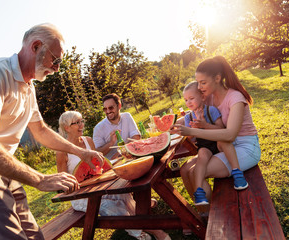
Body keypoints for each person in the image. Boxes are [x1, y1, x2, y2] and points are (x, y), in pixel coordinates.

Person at [0, 23, 104, 240]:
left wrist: (81, 152)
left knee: (34, 236)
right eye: (55, 60)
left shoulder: (28, 87)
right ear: (36, 46)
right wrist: (39, 179)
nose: (56, 68)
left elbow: (41, 130)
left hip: (0, 163)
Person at [57, 111, 171, 240]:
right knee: (112, 207)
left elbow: (98, 166)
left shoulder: (88, 141)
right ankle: (141, 234)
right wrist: (78, 183)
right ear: (66, 128)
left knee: (124, 195)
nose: (81, 125)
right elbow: (63, 182)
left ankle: (156, 231)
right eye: (76, 123)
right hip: (80, 196)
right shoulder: (62, 151)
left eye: (81, 121)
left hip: (98, 185)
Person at [171, 56, 261, 208]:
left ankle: (214, 214)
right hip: (222, 144)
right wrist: (175, 124)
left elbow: (230, 134)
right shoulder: (210, 97)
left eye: (203, 82)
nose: (199, 87)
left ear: (217, 78)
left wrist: (193, 131)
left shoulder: (235, 98)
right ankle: (202, 212)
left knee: (195, 172)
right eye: (198, 82)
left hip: (245, 147)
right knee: (185, 169)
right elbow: (195, 110)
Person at [93, 93, 140, 160]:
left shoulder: (127, 116)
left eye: (111, 108)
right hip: (113, 163)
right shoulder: (98, 128)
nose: (108, 111)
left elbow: (136, 137)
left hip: (132, 155)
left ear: (119, 106)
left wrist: (122, 153)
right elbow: (98, 153)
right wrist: (111, 143)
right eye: (105, 109)